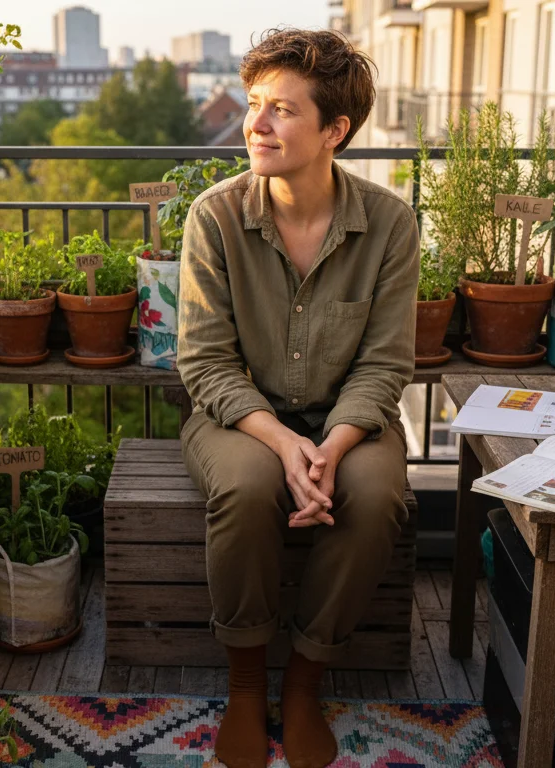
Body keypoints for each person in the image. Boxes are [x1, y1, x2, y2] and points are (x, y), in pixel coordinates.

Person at [176, 27, 419, 768]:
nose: (256, 124)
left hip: (349, 417)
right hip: (237, 414)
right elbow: (206, 363)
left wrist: (332, 446)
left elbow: (384, 365)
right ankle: (248, 686)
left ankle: (306, 681)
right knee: (248, 490)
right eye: (255, 105)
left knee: (377, 496)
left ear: (334, 131)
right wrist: (285, 447)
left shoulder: (389, 224)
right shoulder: (214, 218)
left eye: (282, 110)